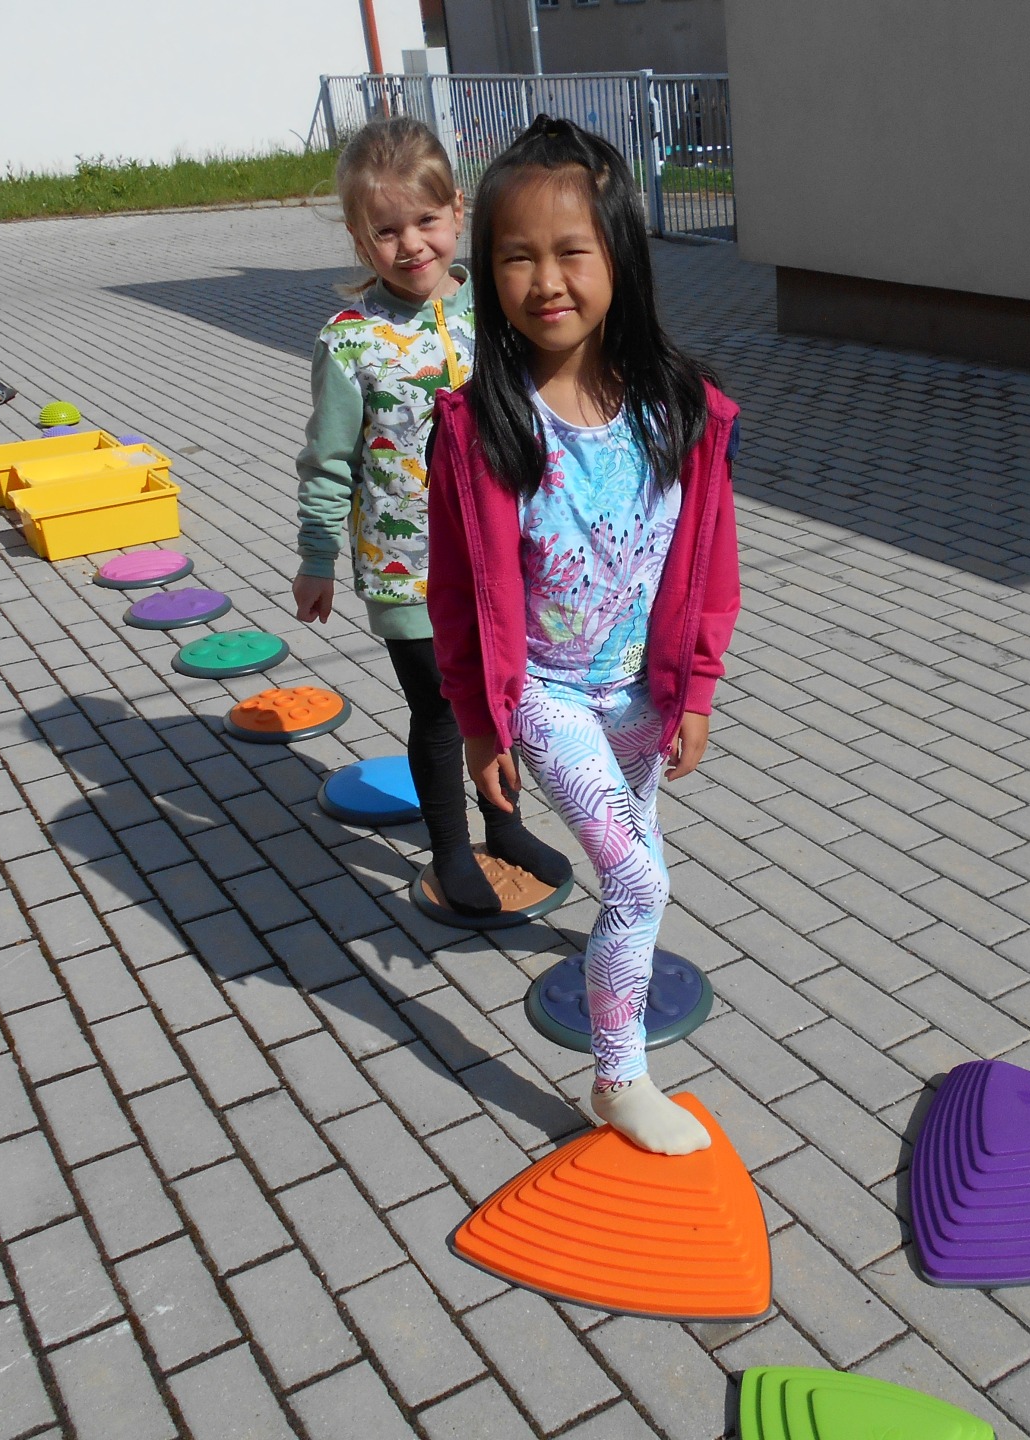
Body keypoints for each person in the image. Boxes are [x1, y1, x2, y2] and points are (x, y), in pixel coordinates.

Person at [427, 117, 741, 1155]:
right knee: (640, 882)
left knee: (639, 878)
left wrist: (696, 690)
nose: (546, 279)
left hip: (643, 696)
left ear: (621, 257)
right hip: (548, 697)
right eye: (517, 256)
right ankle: (620, 1078)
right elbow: (454, 594)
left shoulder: (679, 410)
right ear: (487, 273)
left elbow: (710, 567)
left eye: (572, 250)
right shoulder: (480, 427)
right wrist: (481, 722)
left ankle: (623, 1019)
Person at [295, 116, 570, 918]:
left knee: (503, 697)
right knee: (442, 710)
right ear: (359, 238)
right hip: (405, 566)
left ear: (457, 211)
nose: (411, 244)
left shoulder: (501, 310)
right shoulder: (350, 342)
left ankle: (505, 827)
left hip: (504, 556)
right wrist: (317, 556)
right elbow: (328, 460)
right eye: (386, 231)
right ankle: (452, 850)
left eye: (425, 220)